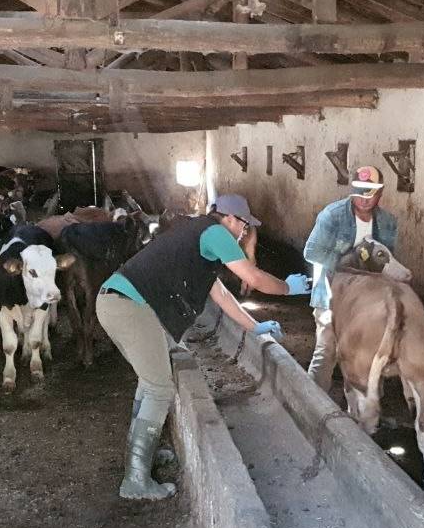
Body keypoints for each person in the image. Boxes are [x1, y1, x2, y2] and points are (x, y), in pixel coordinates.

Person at [96, 194, 311, 500]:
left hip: (116, 301)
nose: (244, 233)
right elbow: (252, 276)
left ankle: (143, 457)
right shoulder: (216, 232)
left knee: (150, 381)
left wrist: (254, 326)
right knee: (159, 388)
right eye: (245, 226)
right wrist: (288, 287)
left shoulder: (198, 238)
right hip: (129, 306)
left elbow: (222, 295)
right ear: (231, 218)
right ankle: (135, 480)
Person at [302, 165, 399, 391]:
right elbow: (311, 252)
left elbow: (387, 259)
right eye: (359, 191)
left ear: (380, 192)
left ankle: (363, 406)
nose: (364, 199)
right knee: (327, 350)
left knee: (367, 352)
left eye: (370, 193)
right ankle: (313, 402)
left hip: (367, 299)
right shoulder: (332, 215)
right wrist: (348, 261)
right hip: (331, 293)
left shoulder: (388, 222)